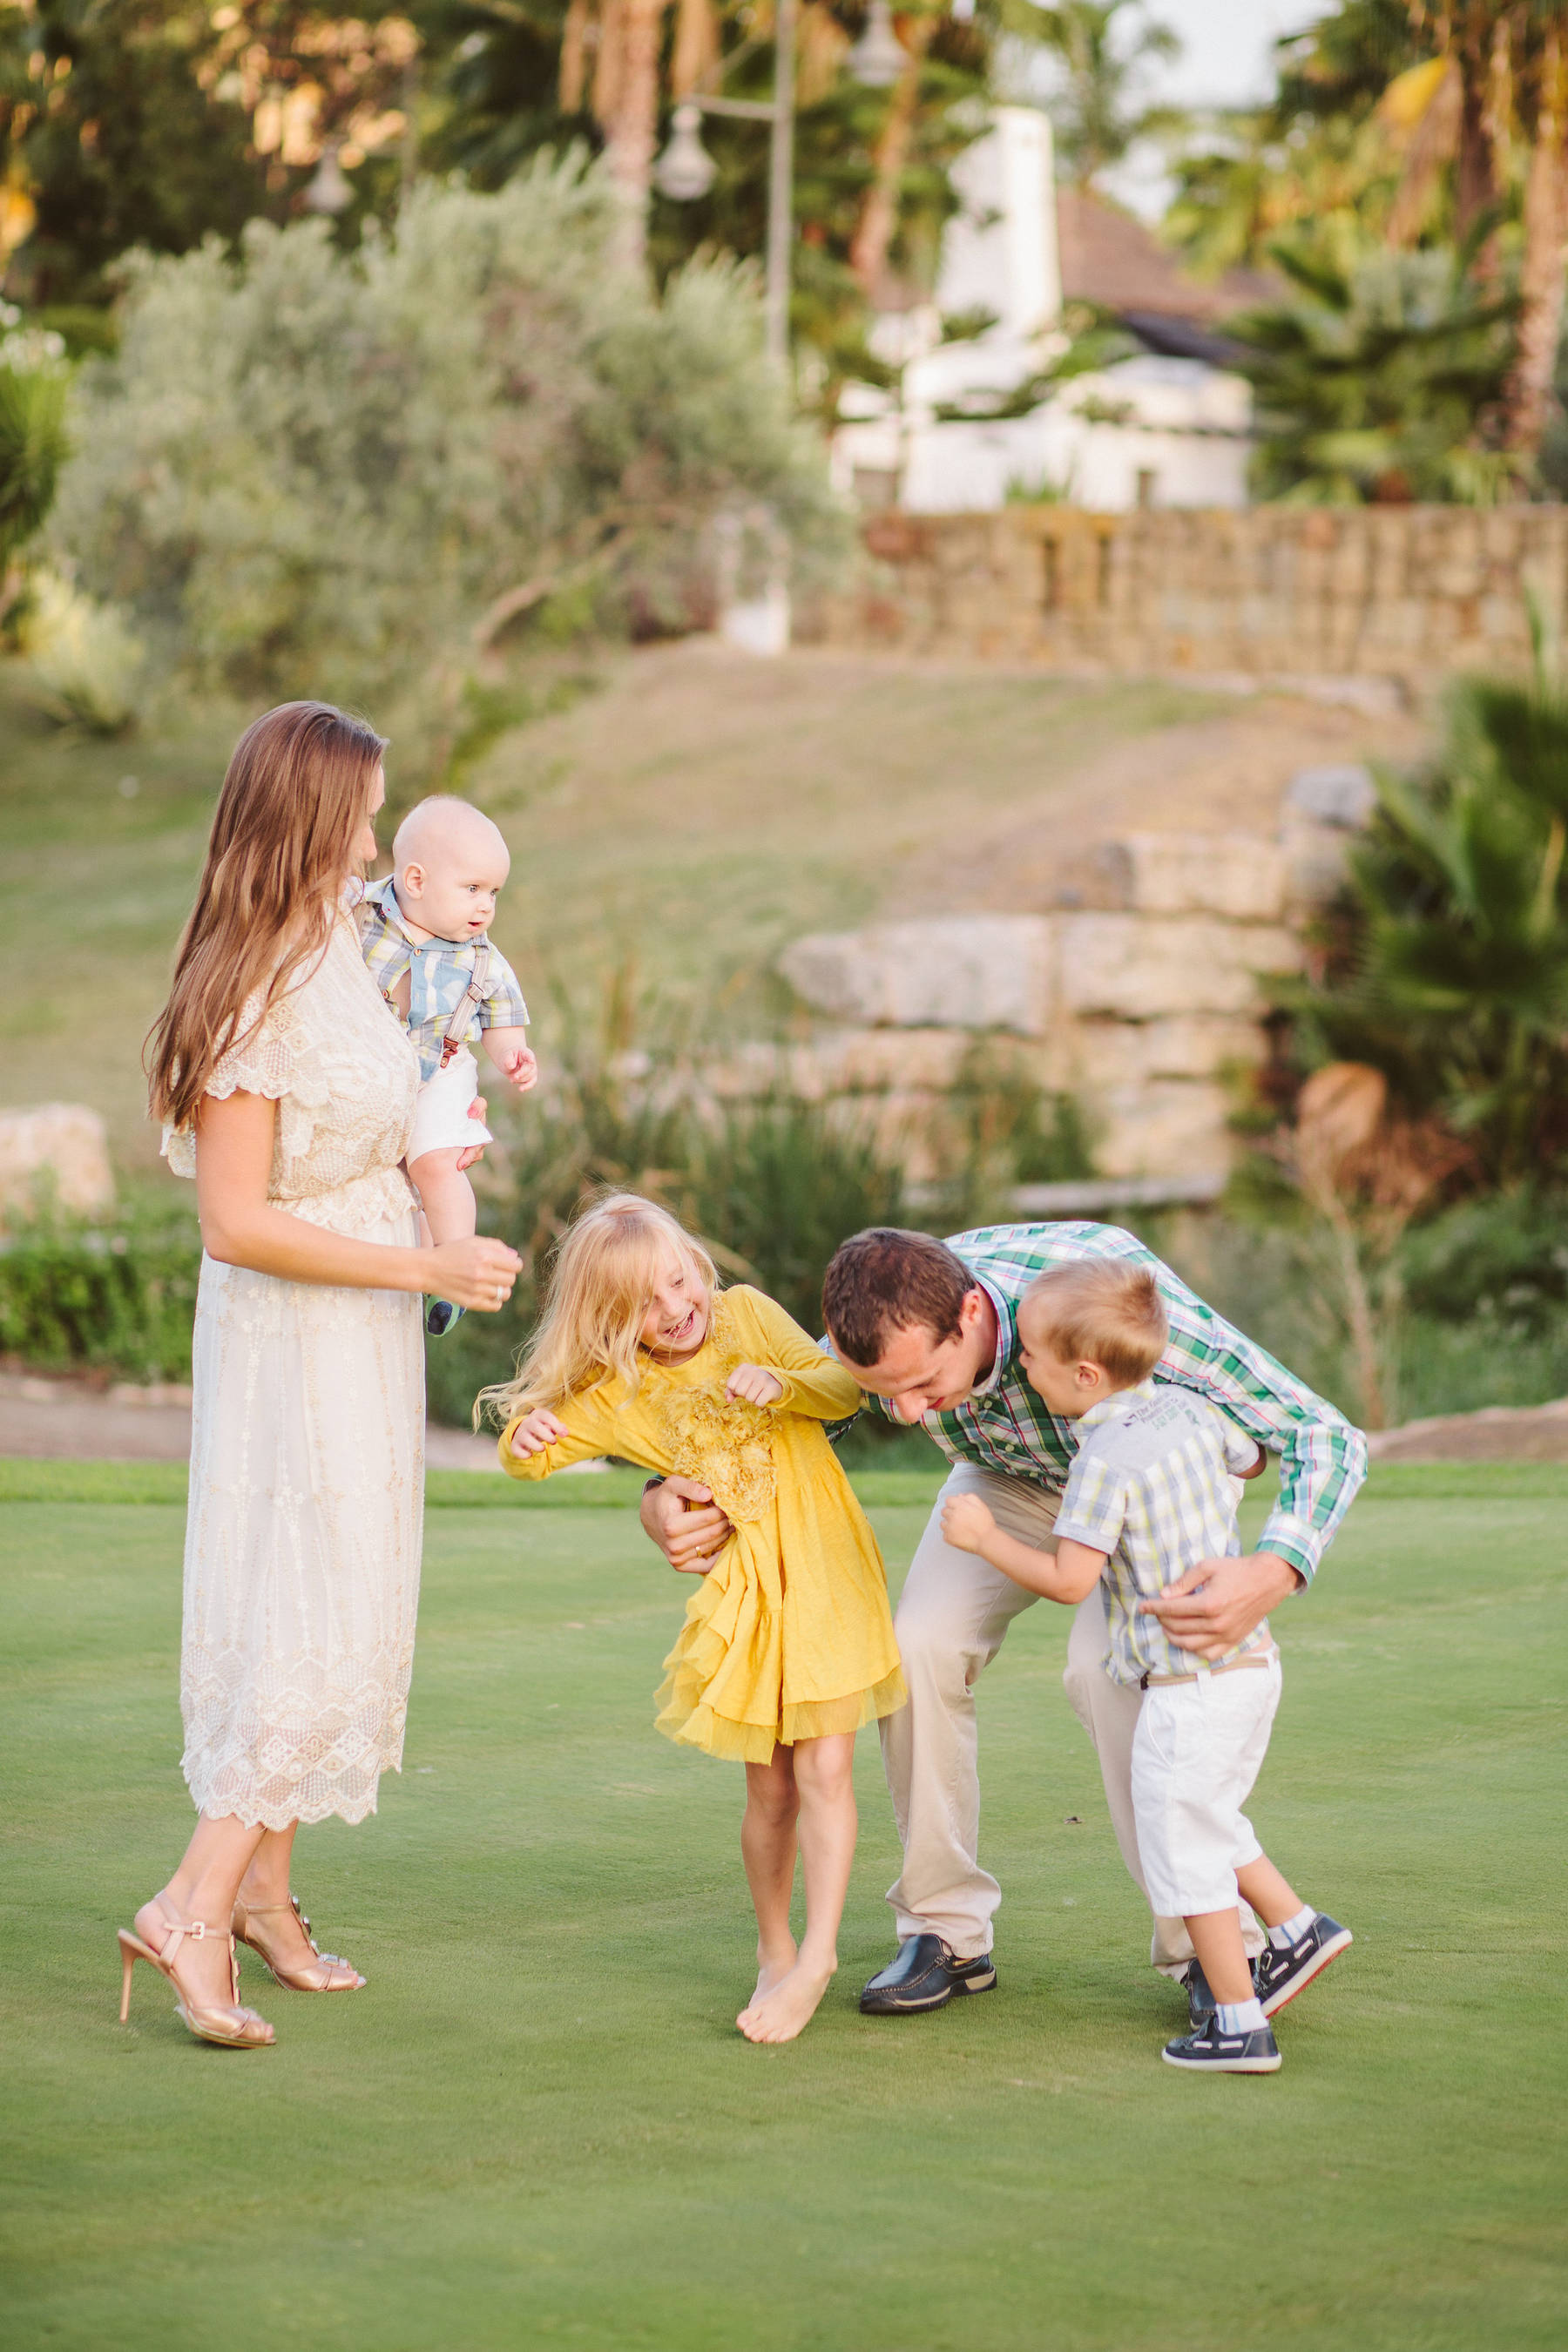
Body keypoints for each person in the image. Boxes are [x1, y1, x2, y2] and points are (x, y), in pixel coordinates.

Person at [640, 1221, 1365, 2023]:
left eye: (924, 1384)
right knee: (916, 1643)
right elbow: (779, 1414)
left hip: (1138, 1489)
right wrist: (658, 1499)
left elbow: (1321, 1434)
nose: (910, 1415)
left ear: (973, 1313)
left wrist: (1274, 1569)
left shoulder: (1099, 1293)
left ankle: (1204, 1945)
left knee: (1109, 1673)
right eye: (886, 1393)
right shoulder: (883, 1335)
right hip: (1005, 1483)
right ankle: (944, 1930)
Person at [121, 701, 521, 2051]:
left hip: (359, 1317)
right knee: (307, 1612)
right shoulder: (252, 985)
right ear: (304, 818)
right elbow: (233, 1221)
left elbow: (437, 1036)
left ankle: (266, 1903)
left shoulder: (344, 940)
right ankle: (191, 1901)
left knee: (353, 1597)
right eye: (357, 812)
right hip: (297, 1328)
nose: (371, 836)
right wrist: (427, 1273)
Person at [486, 1193, 906, 2044]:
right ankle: (775, 1945)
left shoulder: (746, 1316)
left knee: (826, 1769)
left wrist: (783, 1381)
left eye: (680, 1283)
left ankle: (819, 1956)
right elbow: (534, 1454)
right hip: (751, 1594)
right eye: (645, 1303)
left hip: (824, 1568)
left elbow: (840, 1392)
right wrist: (523, 1439)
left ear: (696, 1267)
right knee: (772, 1786)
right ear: (609, 1319)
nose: (677, 1310)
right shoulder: (622, 1392)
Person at [942, 1259, 1351, 2074]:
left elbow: (1070, 1581)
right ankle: (1299, 1929)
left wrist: (986, 1539)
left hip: (1185, 1686)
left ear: (1085, 1374)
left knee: (1184, 1844)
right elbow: (1250, 1461)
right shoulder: (1194, 1411)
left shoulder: (1099, 1463)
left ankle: (1239, 2023)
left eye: (1030, 1357)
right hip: (1248, 1667)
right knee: (1213, 1818)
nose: (1020, 1368)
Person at [360, 795, 537, 1336]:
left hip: (442, 1067)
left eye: (493, 894)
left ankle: (455, 1267)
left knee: (435, 1162)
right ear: (415, 879)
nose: (485, 907)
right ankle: (411, 1253)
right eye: (473, 889)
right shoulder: (360, 915)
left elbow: (500, 1016)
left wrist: (513, 1055)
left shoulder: (482, 956)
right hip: (368, 1067)